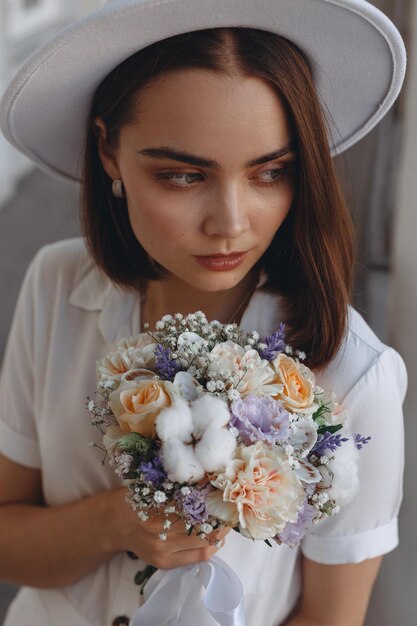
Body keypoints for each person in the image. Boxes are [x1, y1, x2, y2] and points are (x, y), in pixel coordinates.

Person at [0, 1, 408, 625]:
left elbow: (332, 618)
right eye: (183, 176)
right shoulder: (57, 286)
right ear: (108, 152)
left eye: (271, 171)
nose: (232, 224)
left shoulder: (355, 375)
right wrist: (117, 521)